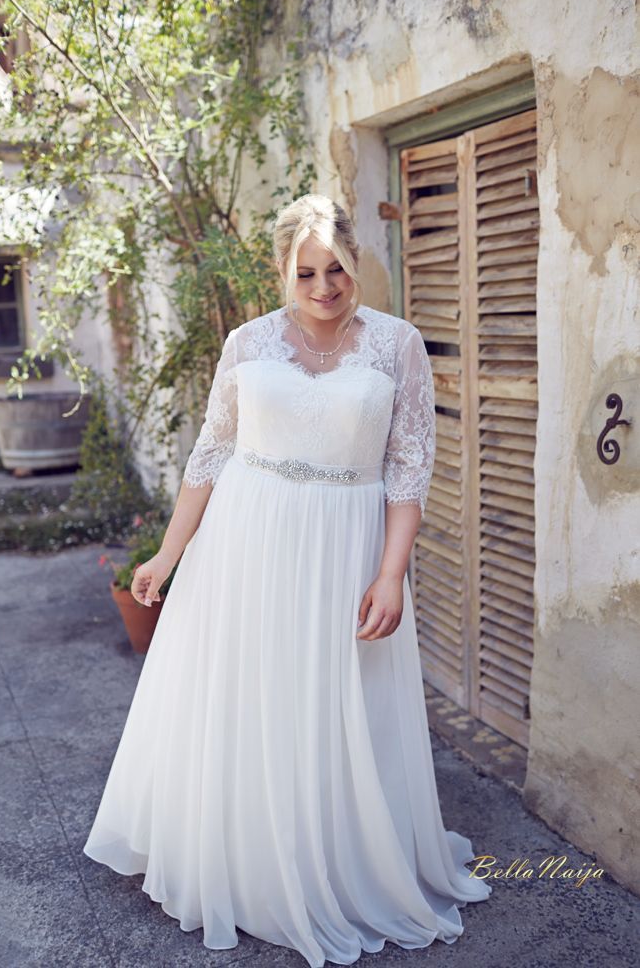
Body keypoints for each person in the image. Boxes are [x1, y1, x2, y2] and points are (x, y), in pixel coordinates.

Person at [83, 193, 492, 967]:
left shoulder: (397, 346)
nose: (323, 286)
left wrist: (391, 574)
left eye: (336, 269)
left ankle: (335, 857)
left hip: (346, 542)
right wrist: (167, 556)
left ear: (356, 264)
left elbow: (409, 469)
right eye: (305, 272)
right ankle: (244, 857)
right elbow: (209, 457)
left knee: (336, 699)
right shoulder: (246, 343)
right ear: (282, 272)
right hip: (246, 540)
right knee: (252, 694)